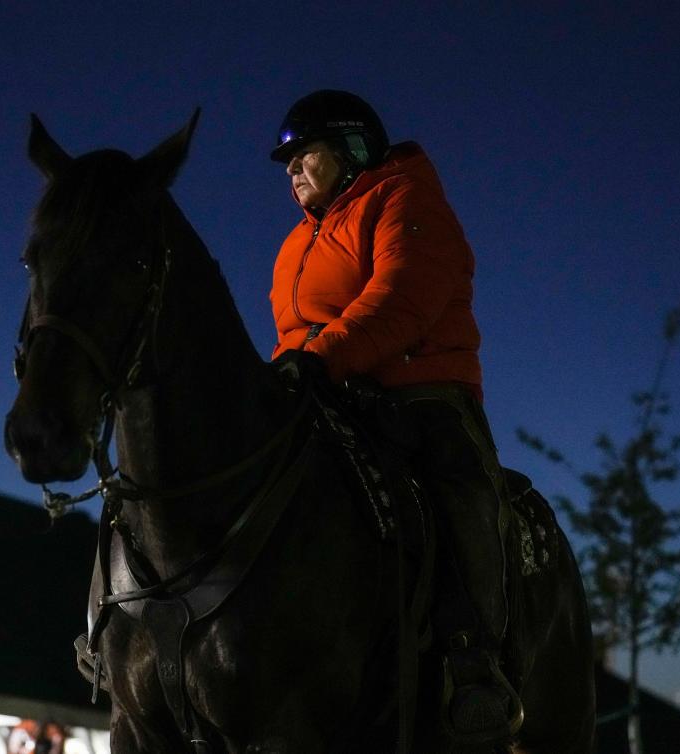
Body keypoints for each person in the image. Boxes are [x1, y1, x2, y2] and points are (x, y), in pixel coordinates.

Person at [268, 89, 521, 743]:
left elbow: (402, 297)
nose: (290, 170)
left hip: (420, 390)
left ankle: (473, 666)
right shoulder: (295, 243)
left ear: (352, 150)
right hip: (327, 391)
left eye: (304, 155)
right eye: (286, 162)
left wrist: (319, 360)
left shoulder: (404, 197)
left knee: (457, 485)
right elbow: (290, 337)